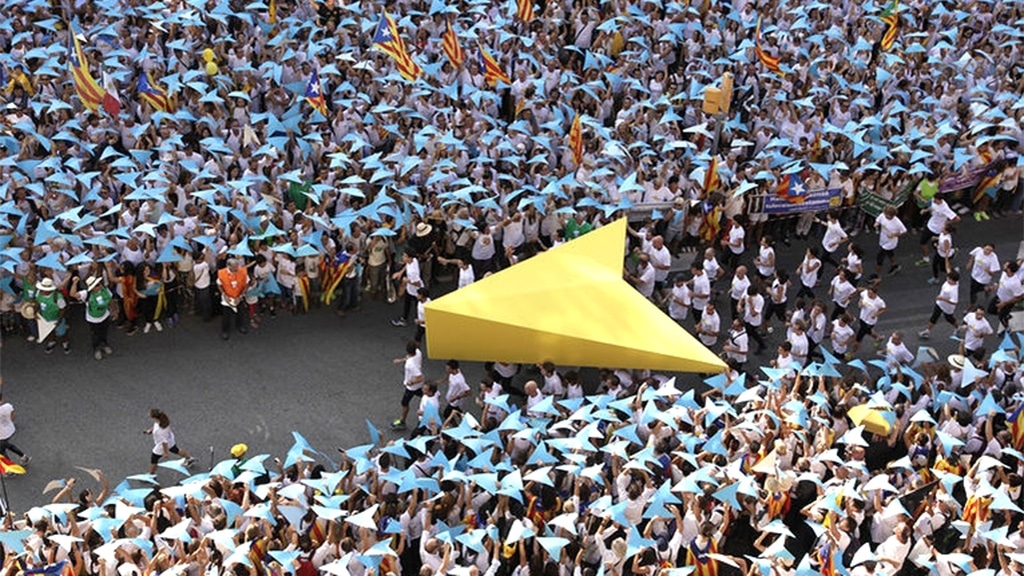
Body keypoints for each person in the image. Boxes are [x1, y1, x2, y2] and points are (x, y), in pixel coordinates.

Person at [72, 275, 114, 361]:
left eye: (99, 284)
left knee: (104, 332)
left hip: (104, 315)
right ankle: (96, 348)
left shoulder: (105, 290)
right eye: (96, 285)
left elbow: (110, 300)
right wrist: (75, 283)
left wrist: (114, 311)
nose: (99, 286)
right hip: (93, 319)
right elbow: (73, 294)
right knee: (95, 335)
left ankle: (104, 344)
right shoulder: (86, 294)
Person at [145, 409, 195, 473]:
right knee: (175, 449)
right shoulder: (163, 421)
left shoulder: (159, 430)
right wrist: (151, 430)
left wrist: (165, 453)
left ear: (155, 418)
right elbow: (156, 426)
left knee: (154, 459)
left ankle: (151, 474)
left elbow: (164, 442)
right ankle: (189, 458)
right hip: (170, 439)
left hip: (162, 446)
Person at [391, 340, 424, 430]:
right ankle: (435, 402)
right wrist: (401, 360)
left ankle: (402, 421)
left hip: (412, 387)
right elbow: (409, 357)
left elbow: (420, 377)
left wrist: (411, 382)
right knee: (424, 395)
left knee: (404, 403)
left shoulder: (410, 365)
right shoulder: (418, 352)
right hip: (419, 386)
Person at [919, 271, 960, 340]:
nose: (947, 279)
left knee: (949, 319)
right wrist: (946, 260)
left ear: (953, 281)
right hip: (940, 303)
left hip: (948, 307)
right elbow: (948, 269)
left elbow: (955, 302)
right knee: (934, 316)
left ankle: (957, 327)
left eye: (949, 279)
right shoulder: (949, 282)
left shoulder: (953, 290)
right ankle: (927, 331)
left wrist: (943, 298)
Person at [216, 258, 249, 340]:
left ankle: (240, 326)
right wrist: (224, 295)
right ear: (228, 266)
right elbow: (219, 285)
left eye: (237, 266)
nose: (237, 269)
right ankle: (225, 331)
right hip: (227, 297)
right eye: (234, 267)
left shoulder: (242, 271)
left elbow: (247, 284)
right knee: (226, 316)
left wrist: (241, 296)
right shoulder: (222, 273)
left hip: (239, 296)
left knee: (240, 313)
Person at [34, 278, 69, 355]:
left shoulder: (58, 297)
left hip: (57, 318)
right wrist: (35, 313)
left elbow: (62, 309)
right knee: (49, 332)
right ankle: (51, 342)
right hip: (45, 318)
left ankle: (65, 342)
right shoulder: (38, 293)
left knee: (62, 333)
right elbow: (37, 304)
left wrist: (59, 320)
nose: (43, 291)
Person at [850, 282, 887, 355]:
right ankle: (879, 338)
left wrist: (876, 314)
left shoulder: (879, 301)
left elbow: (884, 309)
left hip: (870, 321)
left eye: (871, 294)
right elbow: (861, 297)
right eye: (868, 293)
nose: (869, 295)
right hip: (862, 317)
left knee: (859, 337)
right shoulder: (865, 293)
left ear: (875, 293)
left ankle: (852, 353)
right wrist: (860, 302)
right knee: (868, 331)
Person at [390, 251, 423, 327]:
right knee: (407, 303)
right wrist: (400, 273)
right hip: (410, 289)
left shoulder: (413, 272)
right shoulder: (414, 260)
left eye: (405, 256)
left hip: (416, 291)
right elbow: (407, 265)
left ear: (409, 258)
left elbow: (418, 283)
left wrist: (407, 281)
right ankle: (404, 318)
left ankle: (420, 321)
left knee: (418, 306)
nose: (403, 257)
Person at [873, 205, 907, 277]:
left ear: (891, 215)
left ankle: (875, 274)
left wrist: (894, 235)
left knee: (880, 257)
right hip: (883, 238)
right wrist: (876, 223)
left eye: (886, 214)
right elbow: (878, 220)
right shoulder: (883, 215)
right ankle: (895, 265)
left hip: (890, 242)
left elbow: (904, 231)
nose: (884, 215)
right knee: (890, 253)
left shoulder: (897, 222)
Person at [0, 391, 30, 465]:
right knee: (6, 445)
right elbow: (12, 417)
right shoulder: (8, 406)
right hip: (10, 430)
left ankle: (9, 469)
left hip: (1, 435)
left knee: (2, 451)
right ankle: (24, 457)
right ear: (2, 399)